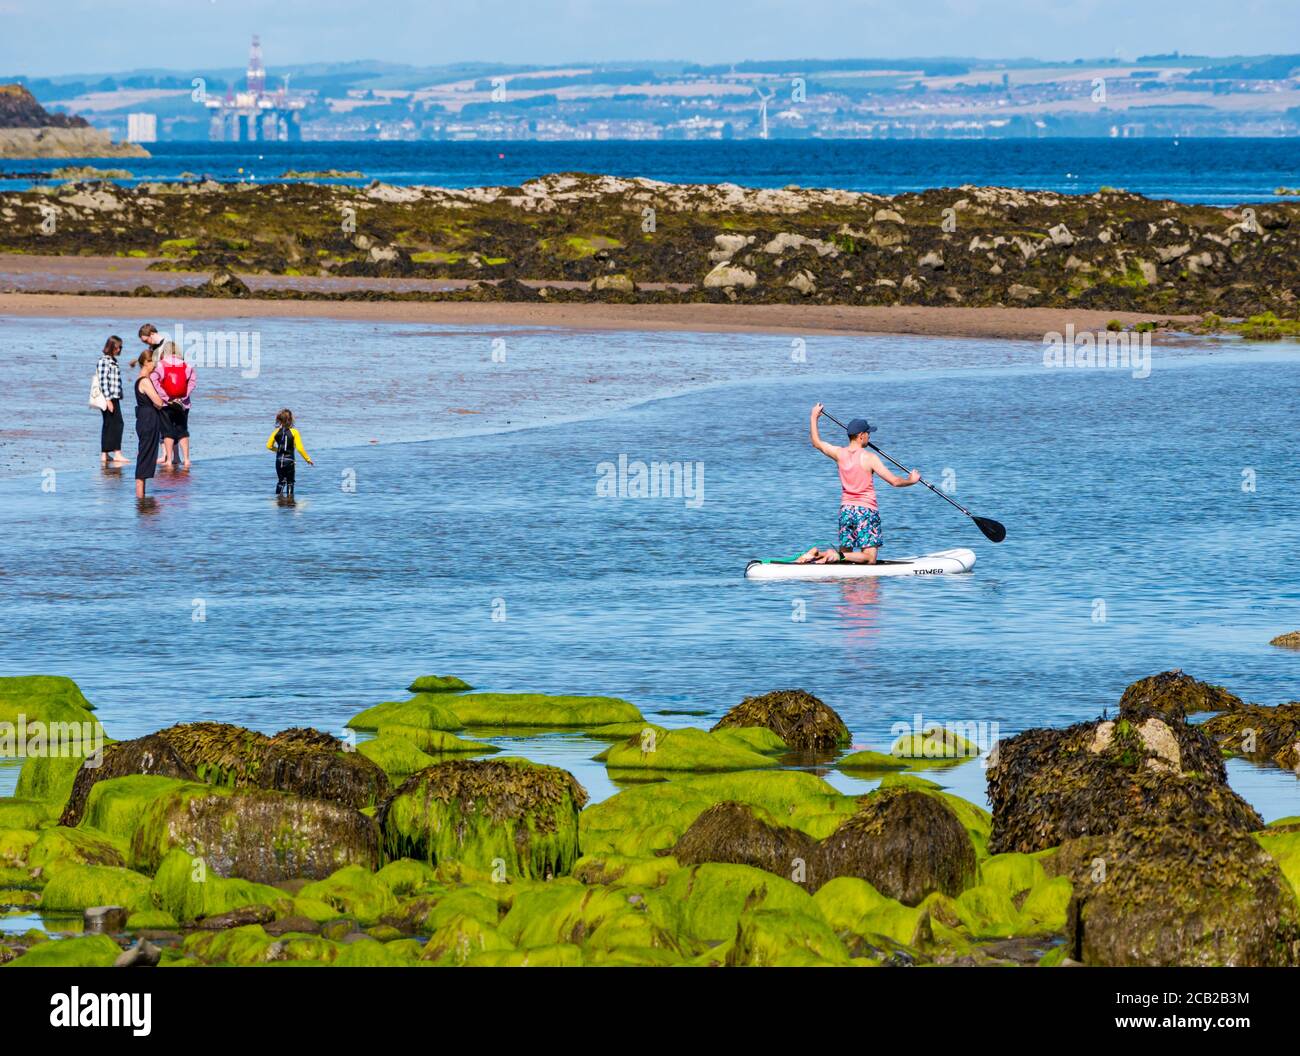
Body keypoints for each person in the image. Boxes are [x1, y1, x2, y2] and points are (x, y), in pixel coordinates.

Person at [795, 403, 920, 565]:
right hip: (865, 510)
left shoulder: (839, 453)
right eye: (868, 433)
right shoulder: (869, 458)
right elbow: (894, 481)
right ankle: (833, 554)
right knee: (869, 558)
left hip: (846, 510)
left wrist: (813, 417)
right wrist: (911, 480)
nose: (869, 436)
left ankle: (821, 554)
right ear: (861, 435)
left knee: (846, 559)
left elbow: (816, 443)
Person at [150, 337, 195, 468]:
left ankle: (169, 460)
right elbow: (192, 382)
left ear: (164, 352)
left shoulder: (160, 364)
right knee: (182, 430)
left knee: (167, 431)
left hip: (166, 404)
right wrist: (183, 396)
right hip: (183, 404)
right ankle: (186, 460)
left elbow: (153, 380)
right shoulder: (187, 365)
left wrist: (165, 397)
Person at [130, 342, 166, 499]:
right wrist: (163, 402)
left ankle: (142, 498)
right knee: (145, 455)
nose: (156, 366)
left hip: (145, 418)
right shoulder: (144, 380)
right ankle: (140, 497)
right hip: (148, 419)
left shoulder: (142, 379)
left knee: (145, 454)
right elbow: (158, 402)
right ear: (146, 362)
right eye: (154, 363)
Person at [96, 336, 129, 465]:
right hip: (109, 397)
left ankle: (105, 454)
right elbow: (103, 381)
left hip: (113, 397)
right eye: (117, 347)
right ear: (111, 347)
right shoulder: (104, 361)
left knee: (110, 424)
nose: (119, 349)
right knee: (116, 424)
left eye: (121, 347)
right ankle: (116, 453)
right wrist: (108, 399)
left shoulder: (112, 360)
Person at [266, 408, 313, 498]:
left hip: (279, 461)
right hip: (289, 461)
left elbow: (269, 446)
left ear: (279, 420)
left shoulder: (275, 432)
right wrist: (308, 459)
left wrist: (279, 450)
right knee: (290, 482)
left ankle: (278, 500)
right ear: (290, 420)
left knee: (281, 481)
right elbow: (300, 448)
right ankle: (290, 501)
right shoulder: (295, 432)